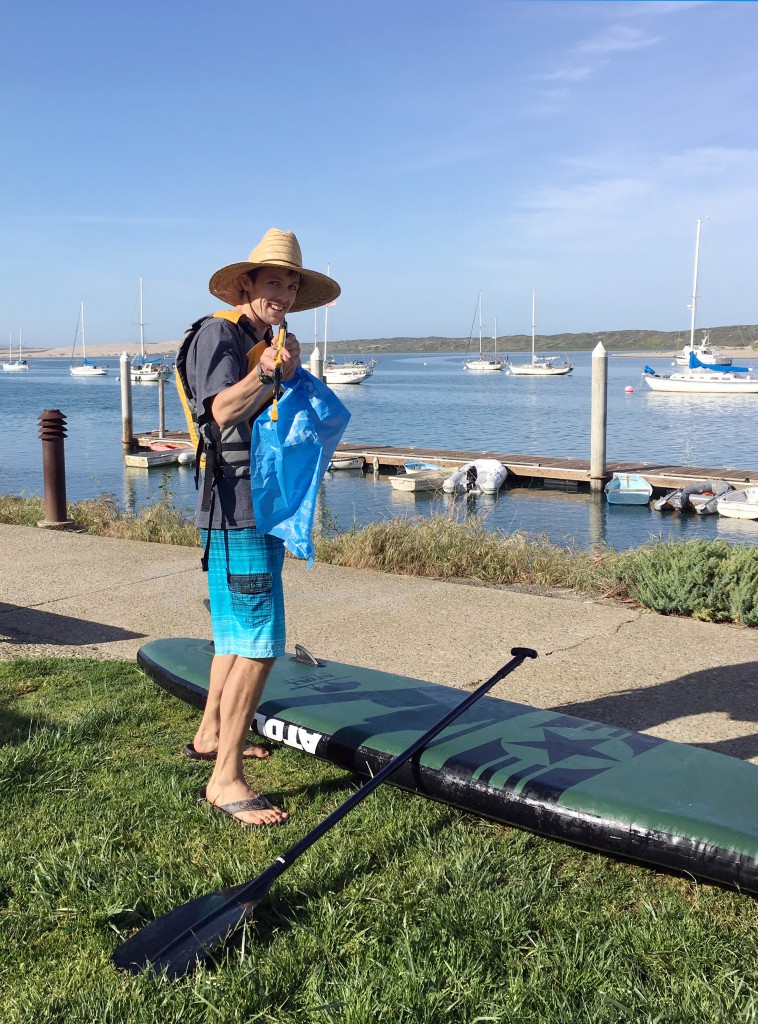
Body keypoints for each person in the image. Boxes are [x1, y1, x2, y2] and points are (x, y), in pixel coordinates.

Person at [183, 228, 341, 827]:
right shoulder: (219, 334)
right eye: (274, 280)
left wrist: (280, 366)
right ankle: (225, 780)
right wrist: (268, 373)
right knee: (259, 643)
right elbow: (219, 411)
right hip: (236, 507)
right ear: (246, 283)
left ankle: (209, 735)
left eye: (292, 283)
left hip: (257, 504)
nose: (285, 291)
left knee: (234, 635)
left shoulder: (260, 336)